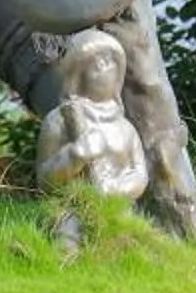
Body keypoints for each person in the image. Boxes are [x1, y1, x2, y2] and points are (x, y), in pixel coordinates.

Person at [35, 30, 149, 201]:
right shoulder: (60, 120)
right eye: (95, 64)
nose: (105, 67)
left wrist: (114, 188)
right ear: (78, 76)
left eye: (110, 60)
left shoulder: (125, 128)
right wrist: (73, 156)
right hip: (74, 209)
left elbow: (140, 174)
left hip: (117, 210)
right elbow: (44, 180)